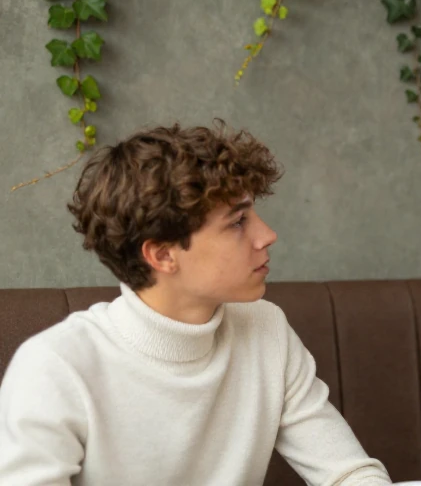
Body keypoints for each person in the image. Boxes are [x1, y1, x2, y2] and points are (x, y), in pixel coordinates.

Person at [0, 122, 393, 485]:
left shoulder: (265, 328)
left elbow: (347, 475)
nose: (268, 235)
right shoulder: (56, 367)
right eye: (238, 222)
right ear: (163, 255)